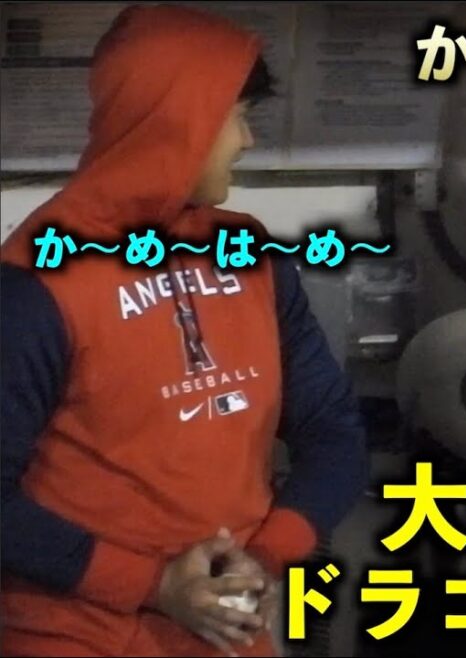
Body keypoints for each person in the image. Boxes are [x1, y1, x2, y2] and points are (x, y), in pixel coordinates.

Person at [0, 5, 368, 656]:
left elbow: (333, 430)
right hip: (76, 637)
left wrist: (268, 555)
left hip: (227, 634)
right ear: (178, 120)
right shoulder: (37, 283)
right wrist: (154, 584)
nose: (246, 141)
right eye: (236, 117)